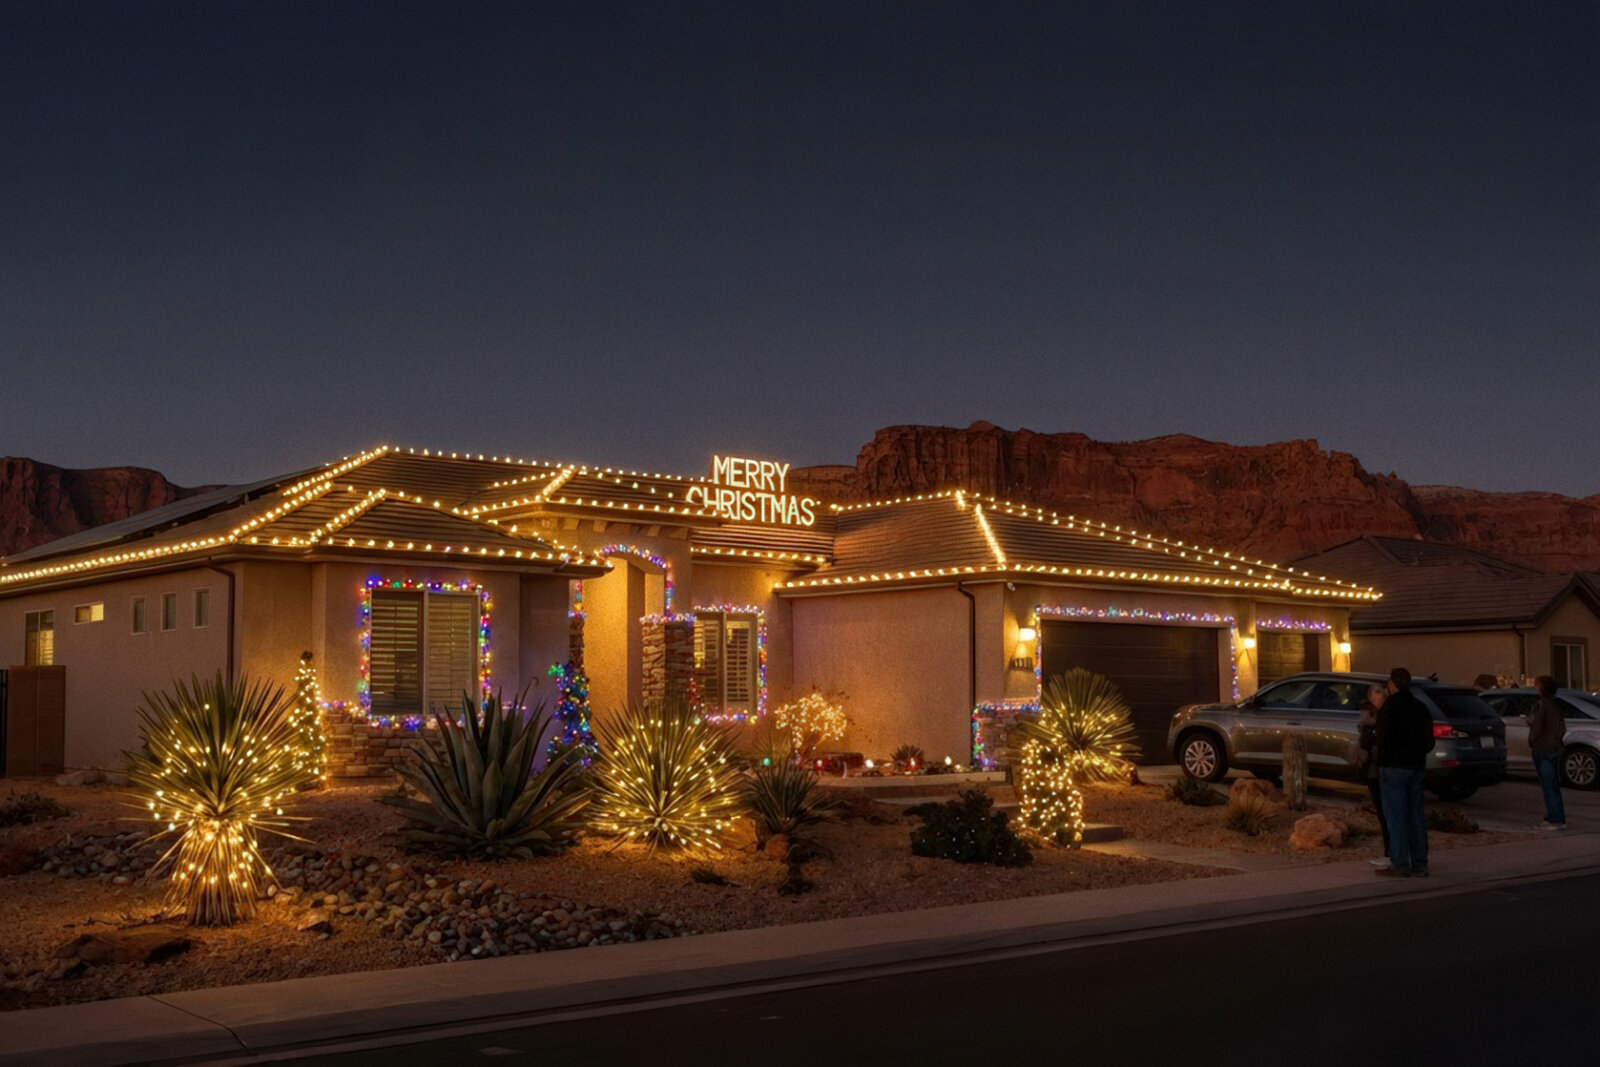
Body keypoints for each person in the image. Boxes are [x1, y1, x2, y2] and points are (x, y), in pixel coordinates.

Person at [1375, 667, 1434, 877]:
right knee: (1416, 816)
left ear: (1392, 685)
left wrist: (1383, 757)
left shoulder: (1390, 707)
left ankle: (1400, 862)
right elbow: (1429, 741)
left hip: (1394, 766)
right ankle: (1420, 862)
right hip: (1415, 766)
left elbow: (1381, 737)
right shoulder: (1420, 707)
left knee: (1396, 816)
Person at [1524, 674, 1568, 830]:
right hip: (1555, 747)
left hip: (1544, 748)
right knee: (1553, 785)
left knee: (1549, 786)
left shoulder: (1543, 705)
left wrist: (1533, 740)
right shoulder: (1556, 705)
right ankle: (1555, 815)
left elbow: (1538, 727)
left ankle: (1556, 819)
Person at [1357, 683, 1391, 868]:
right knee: (1382, 811)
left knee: (1388, 812)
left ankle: (1392, 851)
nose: (1381, 696)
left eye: (1382, 693)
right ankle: (1390, 850)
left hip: (1384, 767)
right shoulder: (1369, 719)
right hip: (1373, 770)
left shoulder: (1384, 717)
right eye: (1377, 694)